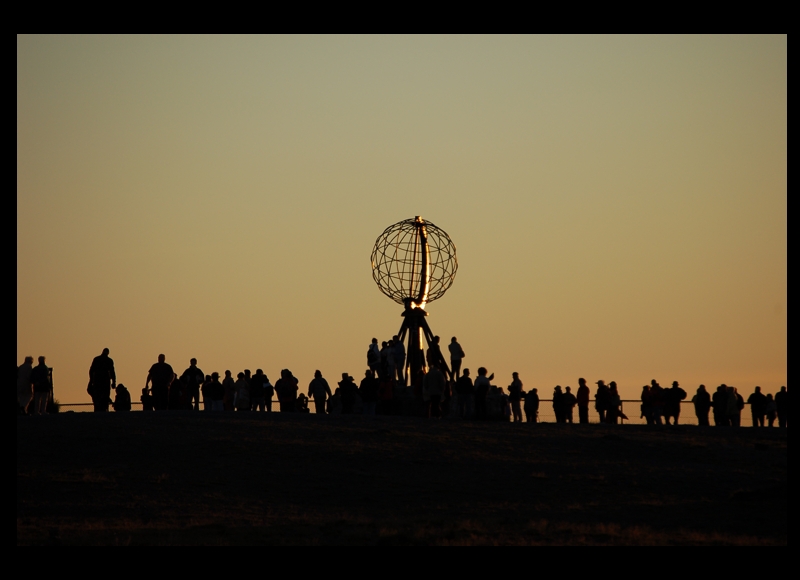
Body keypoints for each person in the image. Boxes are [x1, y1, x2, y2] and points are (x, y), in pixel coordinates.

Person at [89, 348, 116, 413]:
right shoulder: (109, 360)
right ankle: (105, 410)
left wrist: (91, 380)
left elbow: (91, 371)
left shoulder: (96, 359)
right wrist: (113, 382)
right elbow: (112, 372)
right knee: (105, 397)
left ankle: (98, 410)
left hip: (97, 382)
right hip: (105, 382)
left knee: (97, 398)